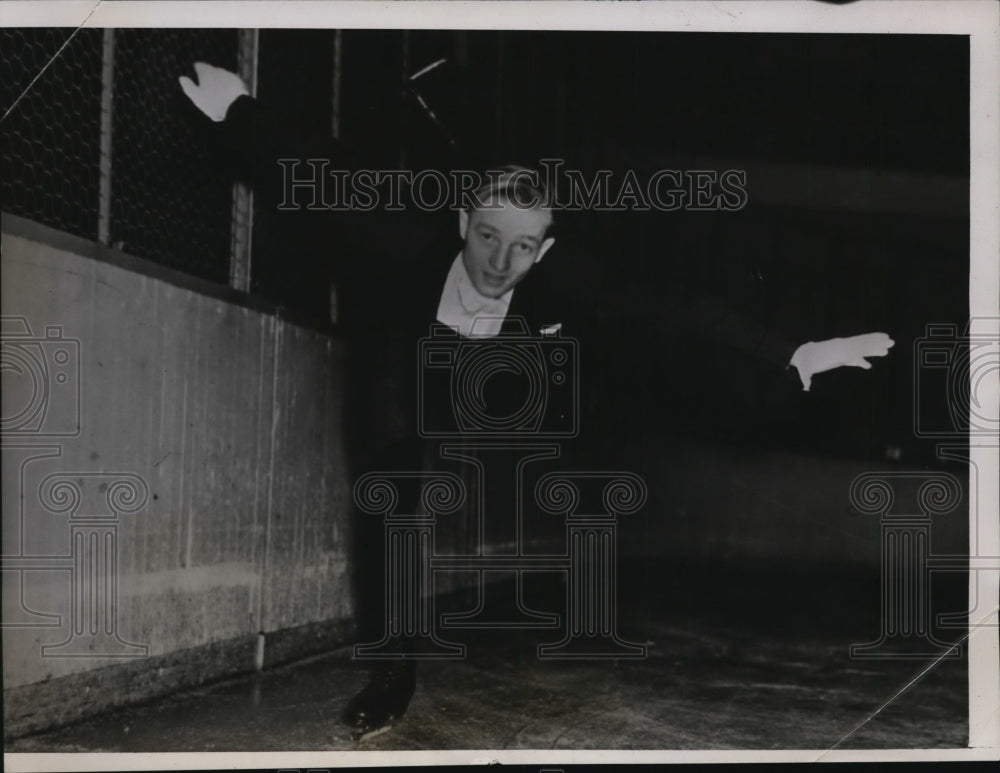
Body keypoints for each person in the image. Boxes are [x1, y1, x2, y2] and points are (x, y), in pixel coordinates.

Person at [179, 61, 895, 737]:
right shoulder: (402, 239)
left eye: (522, 247)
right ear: (462, 222)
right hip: (408, 353)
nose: (499, 262)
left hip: (504, 368)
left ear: (544, 252)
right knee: (392, 491)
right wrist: (239, 109)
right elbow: (323, 173)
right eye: (488, 236)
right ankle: (392, 674)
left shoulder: (563, 281)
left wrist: (795, 351)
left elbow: (676, 309)